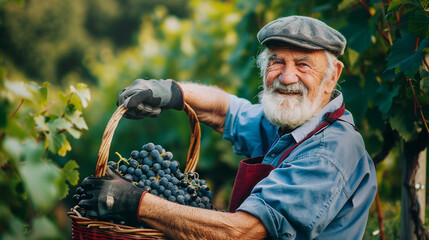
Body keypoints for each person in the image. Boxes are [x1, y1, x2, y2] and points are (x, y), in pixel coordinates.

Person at [77, 15, 377, 239]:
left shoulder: (329, 152)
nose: (286, 77)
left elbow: (243, 231)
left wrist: (134, 201)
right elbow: (227, 112)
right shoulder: (292, 123)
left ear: (333, 74)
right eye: (276, 62)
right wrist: (171, 92)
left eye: (302, 64)